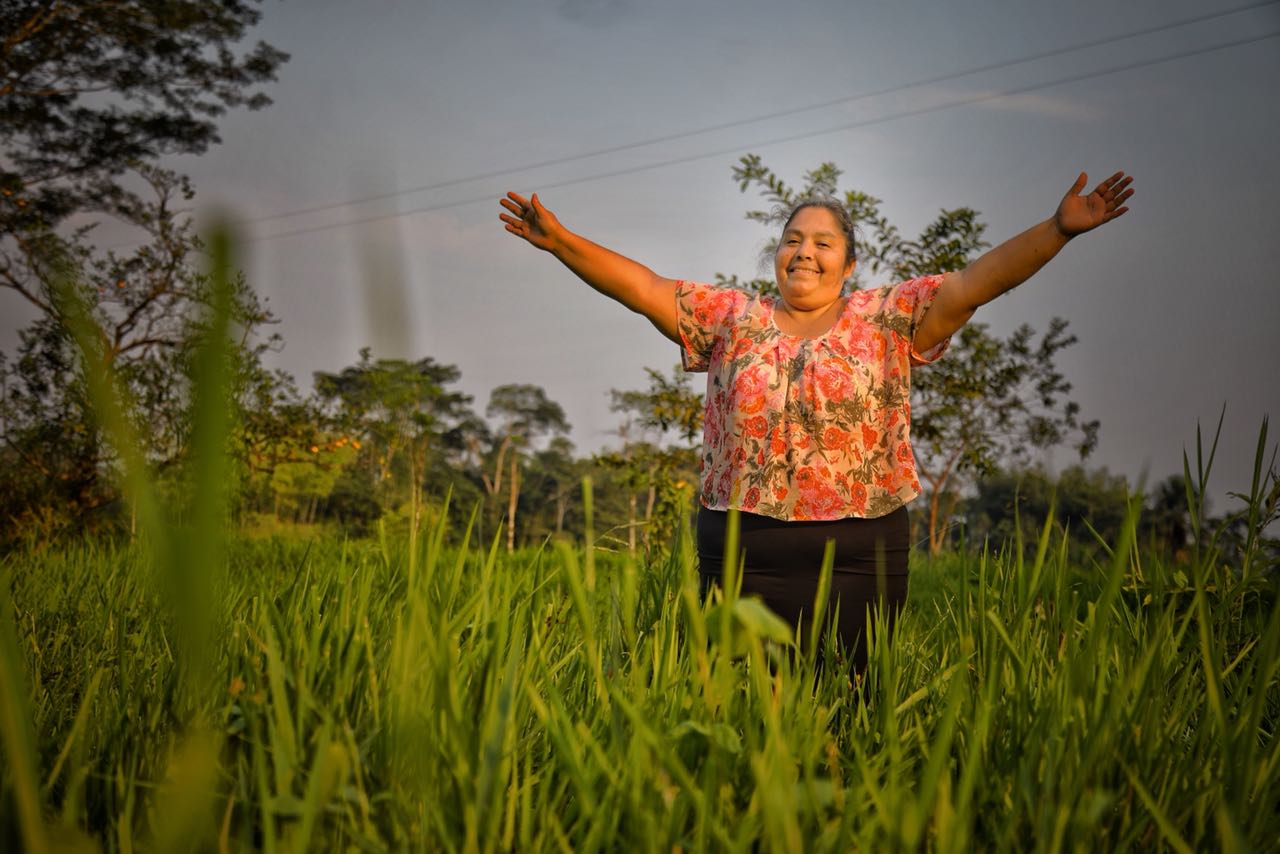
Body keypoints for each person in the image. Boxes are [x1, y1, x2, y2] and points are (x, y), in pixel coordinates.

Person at [498, 171, 1133, 671]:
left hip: (861, 555)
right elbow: (641, 287)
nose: (804, 252)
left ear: (850, 264)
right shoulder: (730, 318)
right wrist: (562, 244)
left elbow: (975, 283)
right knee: (742, 706)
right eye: (792, 240)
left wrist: (1057, 229)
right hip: (741, 552)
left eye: (823, 243)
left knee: (851, 708)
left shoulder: (888, 316)